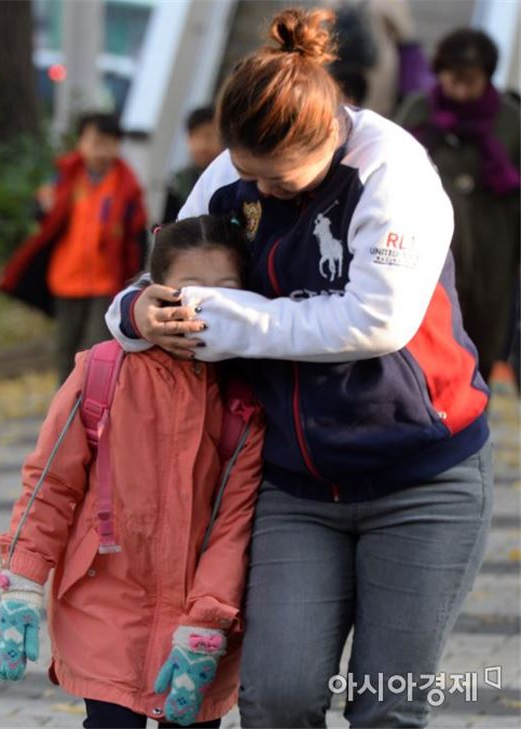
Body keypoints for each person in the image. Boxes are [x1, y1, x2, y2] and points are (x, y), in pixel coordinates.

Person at [106, 8, 493, 728]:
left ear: (326, 137)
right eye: (248, 175)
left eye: (280, 181)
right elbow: (155, 280)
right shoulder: (235, 171)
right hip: (292, 484)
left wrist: (227, 320)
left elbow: (372, 321)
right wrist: (135, 316)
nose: (262, 195)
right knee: (276, 700)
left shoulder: (391, 167)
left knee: (385, 706)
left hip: (423, 476)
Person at [0, 214, 265, 729]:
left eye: (226, 291)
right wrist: (23, 581)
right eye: (189, 291)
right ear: (155, 292)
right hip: (105, 599)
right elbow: (51, 482)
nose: (205, 307)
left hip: (196, 614)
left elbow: (234, 526)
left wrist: (206, 625)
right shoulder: (102, 370)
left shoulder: (244, 397)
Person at [396, 28, 520, 383]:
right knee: (421, 339)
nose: (462, 91)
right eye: (454, 80)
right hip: (426, 250)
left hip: (492, 250)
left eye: (471, 81)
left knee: (478, 342)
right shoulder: (420, 112)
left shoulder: (511, 122)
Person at [0, 112, 148, 383]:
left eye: (109, 143)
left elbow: (136, 235)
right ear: (80, 142)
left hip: (106, 282)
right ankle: (63, 410)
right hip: (66, 278)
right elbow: (44, 217)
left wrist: (134, 281)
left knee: (95, 349)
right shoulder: (65, 177)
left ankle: (90, 409)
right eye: (95, 141)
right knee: (64, 350)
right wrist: (42, 209)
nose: (102, 150)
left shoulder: (126, 186)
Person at [162, 107, 223, 223]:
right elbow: (168, 225)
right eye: (194, 136)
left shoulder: (228, 178)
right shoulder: (178, 181)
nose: (201, 145)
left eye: (208, 136)